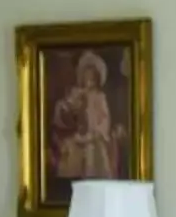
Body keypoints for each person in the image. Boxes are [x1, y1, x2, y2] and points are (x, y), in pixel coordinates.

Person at [50, 50, 122, 183]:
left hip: (94, 135)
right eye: (86, 76)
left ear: (97, 78)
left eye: (92, 76)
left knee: (93, 151)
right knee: (71, 148)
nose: (88, 79)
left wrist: (97, 131)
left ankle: (92, 178)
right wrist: (69, 109)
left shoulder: (100, 97)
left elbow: (104, 118)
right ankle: (69, 182)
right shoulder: (77, 93)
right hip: (79, 133)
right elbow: (66, 108)